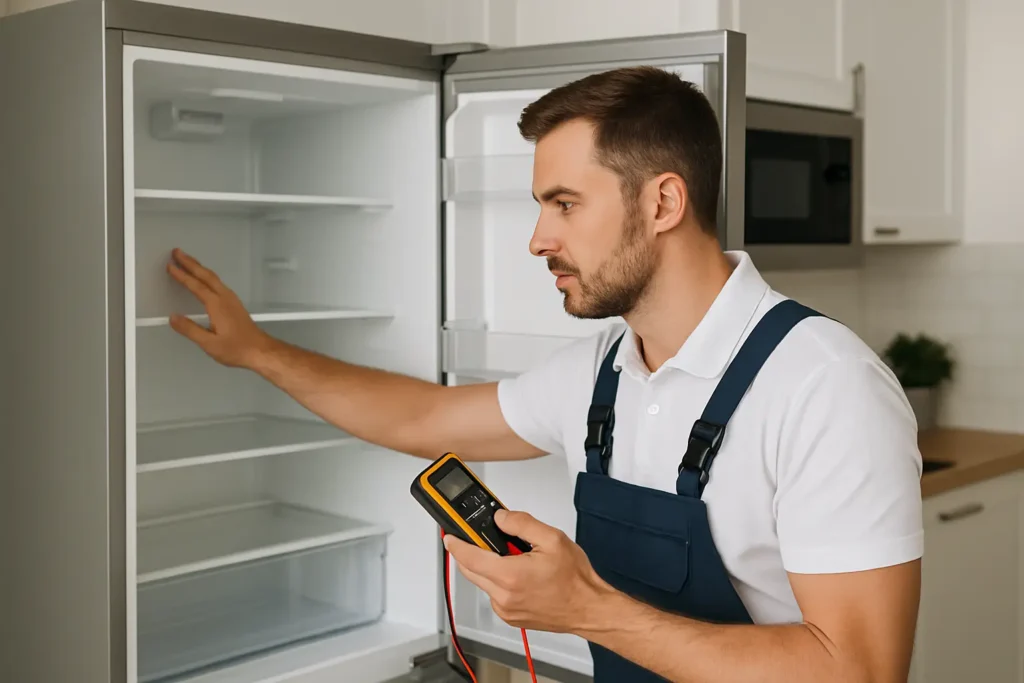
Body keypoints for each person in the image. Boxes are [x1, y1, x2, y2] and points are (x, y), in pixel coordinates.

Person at [166, 65, 924, 683]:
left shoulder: (826, 387)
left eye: (564, 204)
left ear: (662, 200)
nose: (538, 238)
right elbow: (420, 419)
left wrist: (586, 607)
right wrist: (258, 350)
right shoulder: (601, 376)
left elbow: (859, 670)